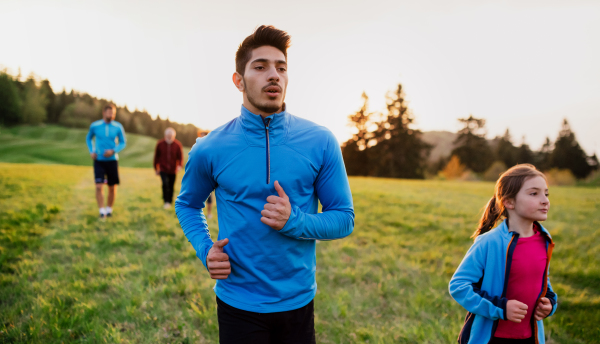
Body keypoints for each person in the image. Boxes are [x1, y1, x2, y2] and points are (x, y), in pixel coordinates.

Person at [175, 25, 354, 343]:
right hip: (237, 301)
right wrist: (206, 251)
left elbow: (343, 218)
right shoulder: (210, 147)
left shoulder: (321, 141)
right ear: (238, 80)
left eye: (281, 68)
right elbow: (187, 204)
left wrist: (295, 221)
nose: (274, 75)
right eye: (260, 67)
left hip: (298, 302)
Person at [449, 164, 557, 344]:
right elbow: (459, 285)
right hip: (492, 338)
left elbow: (542, 280)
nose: (545, 200)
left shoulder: (544, 239)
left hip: (531, 337)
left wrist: (550, 302)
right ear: (509, 202)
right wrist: (501, 307)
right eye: (534, 193)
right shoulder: (488, 242)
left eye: (546, 194)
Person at [86, 103, 127, 218]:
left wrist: (113, 151)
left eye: (113, 113)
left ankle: (109, 209)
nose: (111, 115)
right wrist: (91, 150)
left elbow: (123, 142)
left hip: (112, 160)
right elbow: (88, 138)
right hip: (99, 160)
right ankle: (101, 211)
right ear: (104, 113)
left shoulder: (118, 127)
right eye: (109, 112)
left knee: (112, 187)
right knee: (99, 186)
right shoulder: (95, 125)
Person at [153, 127, 184, 209]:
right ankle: (166, 201)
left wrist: (179, 166)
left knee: (171, 185)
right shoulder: (160, 144)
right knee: (164, 184)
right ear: (165, 135)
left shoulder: (178, 145)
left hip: (173, 170)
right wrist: (156, 168)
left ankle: (170, 201)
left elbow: (180, 157)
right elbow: (156, 157)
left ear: (174, 136)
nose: (169, 137)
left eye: (171, 135)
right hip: (163, 169)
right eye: (168, 135)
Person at [197, 130, 213, 218]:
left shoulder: (211, 148)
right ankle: (198, 213)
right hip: (199, 176)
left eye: (203, 136)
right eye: (200, 136)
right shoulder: (197, 148)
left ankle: (209, 213)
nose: (201, 138)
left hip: (208, 177)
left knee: (209, 197)